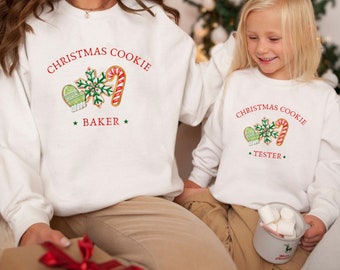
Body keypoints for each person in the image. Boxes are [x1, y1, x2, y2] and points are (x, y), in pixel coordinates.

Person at [0, 0, 238, 269]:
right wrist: (29, 222)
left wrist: (244, 39)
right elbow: (11, 139)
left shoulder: (152, 21)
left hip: (138, 204)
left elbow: (195, 100)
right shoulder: (26, 29)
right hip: (55, 206)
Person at [175, 0, 340, 269]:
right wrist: (196, 180)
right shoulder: (237, 83)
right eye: (252, 38)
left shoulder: (323, 99)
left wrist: (322, 214)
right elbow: (214, 142)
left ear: (304, 34)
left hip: (287, 217)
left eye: (273, 38)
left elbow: (331, 167)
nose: (261, 48)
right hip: (229, 204)